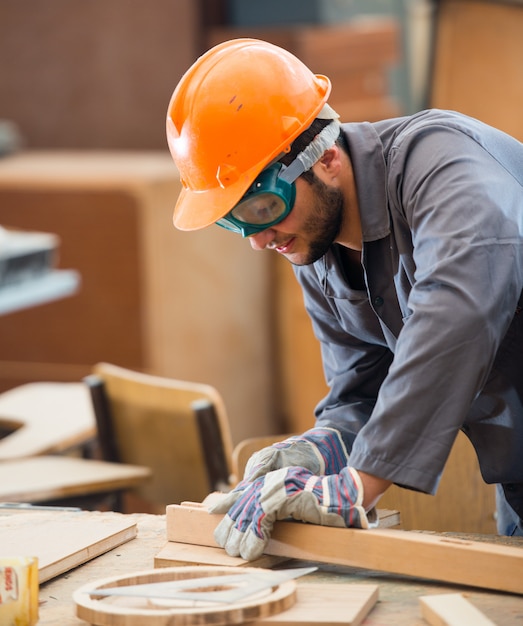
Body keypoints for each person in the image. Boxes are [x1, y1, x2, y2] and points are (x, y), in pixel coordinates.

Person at [166, 38, 523, 560]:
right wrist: (323, 449)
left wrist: (360, 483)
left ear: (326, 157)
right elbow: (361, 389)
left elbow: (456, 311)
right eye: (233, 220)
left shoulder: (442, 164)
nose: (258, 239)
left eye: (264, 207)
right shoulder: (316, 245)